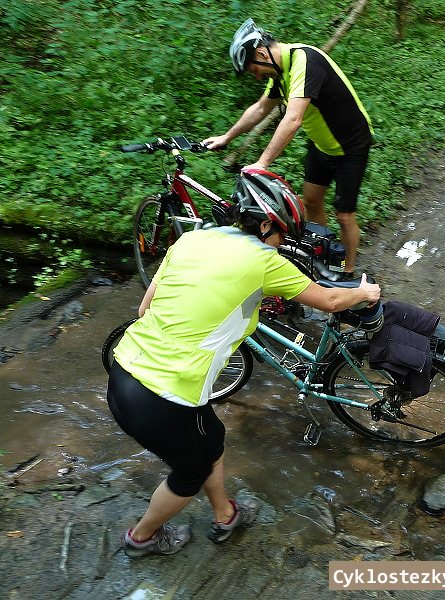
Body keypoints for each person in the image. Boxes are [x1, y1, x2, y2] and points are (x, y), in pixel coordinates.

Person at [107, 170, 381, 557]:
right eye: (283, 232)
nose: (283, 241)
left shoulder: (192, 239)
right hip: (165, 396)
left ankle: (225, 515)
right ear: (267, 223)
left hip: (125, 371)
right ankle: (142, 537)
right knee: (190, 473)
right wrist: (365, 292)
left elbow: (144, 308)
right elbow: (332, 301)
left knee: (212, 438)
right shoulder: (265, 261)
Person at [203, 18, 374, 280]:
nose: (257, 76)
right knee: (312, 201)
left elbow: (293, 119)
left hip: (351, 146)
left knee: (344, 215)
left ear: (261, 53)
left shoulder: (305, 61)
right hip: (321, 145)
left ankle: (348, 274)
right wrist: (227, 137)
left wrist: (262, 163)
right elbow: (261, 108)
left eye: (254, 70)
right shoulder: (281, 72)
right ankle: (323, 257)